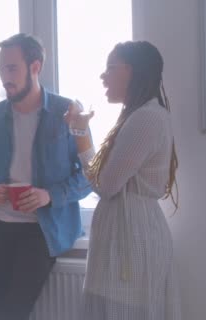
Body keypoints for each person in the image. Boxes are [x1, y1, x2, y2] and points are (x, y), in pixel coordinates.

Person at [0, 33, 92, 320]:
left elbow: (89, 176)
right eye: (1, 69)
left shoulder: (68, 113)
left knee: (14, 312)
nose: (5, 77)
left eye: (12, 68)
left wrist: (49, 195)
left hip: (42, 229)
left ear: (35, 67)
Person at [63, 40, 181, 319]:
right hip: (128, 232)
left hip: (132, 237)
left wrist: (81, 137)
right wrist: (81, 134)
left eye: (110, 68)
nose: (103, 76)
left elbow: (105, 185)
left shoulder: (146, 118)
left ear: (131, 71)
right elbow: (107, 178)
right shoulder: (141, 115)